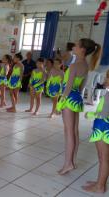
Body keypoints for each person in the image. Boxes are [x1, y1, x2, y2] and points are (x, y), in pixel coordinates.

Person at [56, 38, 102, 175]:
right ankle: (73, 161)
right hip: (77, 99)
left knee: (69, 133)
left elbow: (68, 87)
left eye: (76, 45)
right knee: (74, 132)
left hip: (69, 100)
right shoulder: (85, 65)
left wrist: (60, 103)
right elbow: (81, 87)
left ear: (82, 49)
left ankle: (68, 163)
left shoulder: (75, 66)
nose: (73, 47)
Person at [81, 70, 109, 194]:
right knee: (103, 158)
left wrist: (89, 114)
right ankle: (100, 182)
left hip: (103, 129)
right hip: (104, 128)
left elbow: (103, 114)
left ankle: (100, 186)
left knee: (103, 158)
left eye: (107, 77)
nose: (105, 80)